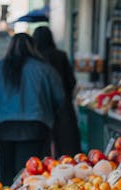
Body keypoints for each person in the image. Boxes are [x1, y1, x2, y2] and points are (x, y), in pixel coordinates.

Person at [0, 33, 65, 186]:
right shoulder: (45, 70)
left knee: (7, 173)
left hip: (4, 128)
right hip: (36, 127)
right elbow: (60, 98)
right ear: (34, 48)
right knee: (32, 175)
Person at [33, 26, 81, 157]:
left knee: (44, 147)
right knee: (67, 145)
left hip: (40, 106)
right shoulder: (61, 56)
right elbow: (71, 81)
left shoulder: (35, 59)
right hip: (63, 105)